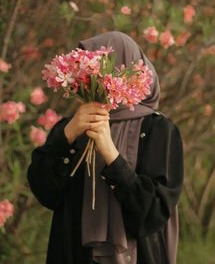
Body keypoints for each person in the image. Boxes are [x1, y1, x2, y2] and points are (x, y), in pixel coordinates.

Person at [27, 31, 184, 264]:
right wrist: (68, 134)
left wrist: (111, 153)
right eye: (84, 72)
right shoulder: (72, 127)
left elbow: (153, 213)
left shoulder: (158, 129)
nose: (89, 80)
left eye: (96, 71)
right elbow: (45, 192)